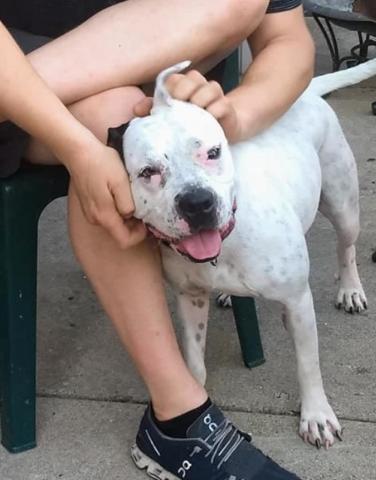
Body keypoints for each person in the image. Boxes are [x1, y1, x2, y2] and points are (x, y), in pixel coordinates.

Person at [0, 1, 314, 478]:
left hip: (133, 92)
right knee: (116, 124)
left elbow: (285, 40)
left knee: (234, 8)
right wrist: (79, 147)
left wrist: (232, 114)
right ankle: (180, 413)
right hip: (21, 81)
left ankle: (173, 426)